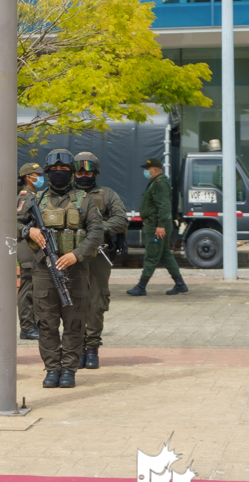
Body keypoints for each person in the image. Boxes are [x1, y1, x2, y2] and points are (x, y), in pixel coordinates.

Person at [18, 149, 103, 389]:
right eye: (54, 171)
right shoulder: (35, 200)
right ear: (47, 172)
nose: (59, 174)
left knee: (75, 322)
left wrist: (76, 255)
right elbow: (12, 223)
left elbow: (96, 233)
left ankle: (69, 369)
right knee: (46, 323)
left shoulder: (84, 200)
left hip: (75, 271)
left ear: (72, 173)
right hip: (44, 271)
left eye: (64, 171)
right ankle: (52, 368)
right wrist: (28, 231)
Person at [73, 152, 128, 370]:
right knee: (73, 303)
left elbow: (120, 219)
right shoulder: (67, 195)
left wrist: (97, 230)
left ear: (94, 173)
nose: (83, 176)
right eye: (79, 172)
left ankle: (92, 347)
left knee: (95, 301)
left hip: (98, 254)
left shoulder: (106, 194)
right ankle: (75, 347)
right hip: (71, 255)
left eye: (87, 172)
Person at [127, 158, 189, 297]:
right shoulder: (155, 183)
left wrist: (160, 225)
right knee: (165, 254)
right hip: (153, 223)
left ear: (155, 169)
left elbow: (164, 206)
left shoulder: (159, 183)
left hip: (156, 226)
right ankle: (180, 284)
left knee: (151, 255)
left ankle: (141, 286)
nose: (146, 172)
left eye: (147, 169)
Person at [16, 162, 43, 341]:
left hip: (33, 244)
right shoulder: (26, 196)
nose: (40, 176)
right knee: (28, 286)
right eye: (37, 174)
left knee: (34, 286)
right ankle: (26, 327)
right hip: (27, 245)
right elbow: (18, 221)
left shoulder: (34, 195)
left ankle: (33, 324)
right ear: (28, 177)